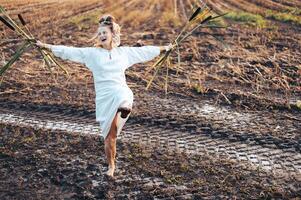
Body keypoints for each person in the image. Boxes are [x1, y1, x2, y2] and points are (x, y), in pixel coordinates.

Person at [35, 14, 173, 177]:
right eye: (99, 33)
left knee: (123, 94)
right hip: (104, 98)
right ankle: (111, 167)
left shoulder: (124, 53)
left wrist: (165, 48)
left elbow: (144, 52)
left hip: (120, 92)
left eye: (104, 32)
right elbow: (69, 51)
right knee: (110, 138)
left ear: (112, 34)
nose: (101, 35)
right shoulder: (91, 54)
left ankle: (125, 107)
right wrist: (45, 46)